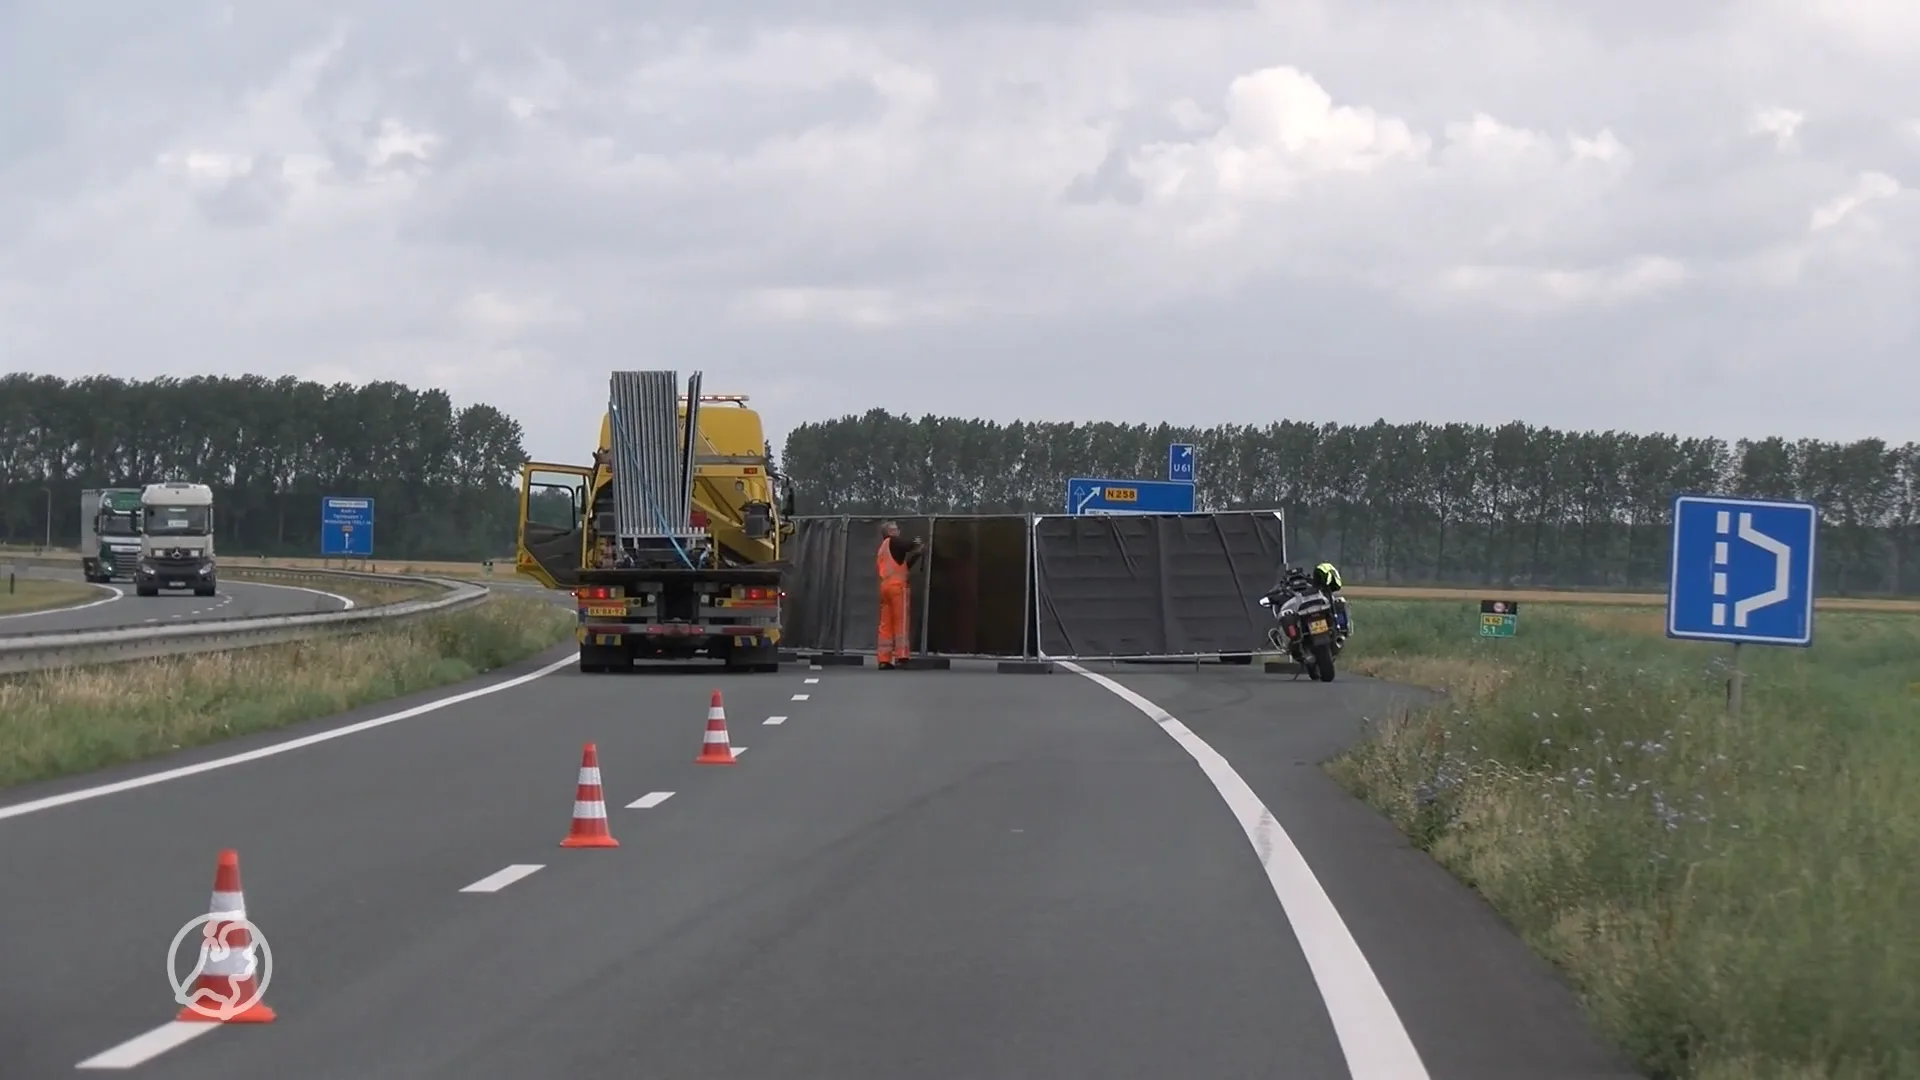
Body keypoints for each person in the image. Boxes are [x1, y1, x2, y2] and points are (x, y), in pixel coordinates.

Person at [875, 521, 924, 669]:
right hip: (897, 587)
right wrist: (917, 542)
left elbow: (902, 566)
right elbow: (907, 545)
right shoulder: (893, 541)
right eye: (895, 529)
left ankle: (884, 659)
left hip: (885, 586)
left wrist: (916, 555)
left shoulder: (883, 549)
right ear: (889, 531)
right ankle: (902, 656)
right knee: (901, 622)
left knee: (886, 624)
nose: (898, 531)